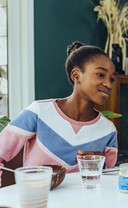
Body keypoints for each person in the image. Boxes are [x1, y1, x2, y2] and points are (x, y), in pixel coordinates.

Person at [0, 41, 118, 185]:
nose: (108, 84)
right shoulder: (39, 112)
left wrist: (97, 162)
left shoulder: (108, 130)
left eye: (111, 79)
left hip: (84, 205)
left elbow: (109, 180)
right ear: (76, 76)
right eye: (100, 75)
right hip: (37, 201)